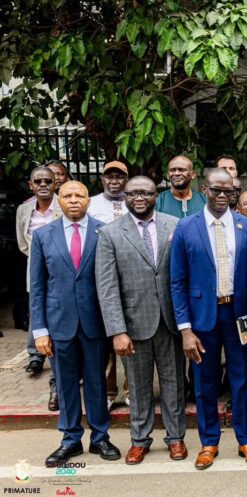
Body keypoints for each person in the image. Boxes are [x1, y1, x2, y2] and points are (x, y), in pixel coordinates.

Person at [170, 169, 247, 470]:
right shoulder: (186, 227)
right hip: (202, 318)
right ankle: (209, 442)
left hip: (240, 315)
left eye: (228, 191)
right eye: (216, 190)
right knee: (204, 382)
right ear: (204, 190)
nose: (222, 196)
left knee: (243, 380)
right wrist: (185, 329)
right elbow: (177, 282)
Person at [95, 177, 187, 465]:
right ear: (125, 196)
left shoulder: (175, 226)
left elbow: (184, 275)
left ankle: (176, 438)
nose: (139, 198)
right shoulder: (109, 233)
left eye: (146, 193)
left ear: (155, 196)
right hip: (133, 326)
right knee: (138, 386)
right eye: (133, 193)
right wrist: (117, 330)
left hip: (170, 323)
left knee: (174, 384)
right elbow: (107, 287)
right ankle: (139, 440)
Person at [30, 181, 121, 465]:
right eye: (67, 195)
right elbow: (38, 287)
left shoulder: (104, 232)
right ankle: (70, 439)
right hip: (59, 323)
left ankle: (100, 437)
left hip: (95, 323)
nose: (73, 200)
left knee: (96, 382)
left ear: (88, 200)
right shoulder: (43, 235)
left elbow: (112, 281)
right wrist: (39, 331)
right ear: (59, 200)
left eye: (79, 195)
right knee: (66, 384)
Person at [16, 167, 61, 410]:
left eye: (48, 181)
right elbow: (23, 243)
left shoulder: (64, 204)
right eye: (38, 181)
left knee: (58, 323)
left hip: (60, 270)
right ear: (31, 185)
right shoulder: (24, 209)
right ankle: (36, 355)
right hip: (35, 269)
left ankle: (58, 383)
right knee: (38, 312)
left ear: (55, 183)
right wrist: (38, 260)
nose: (43, 185)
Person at [88, 160, 130, 409]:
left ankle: (130, 390)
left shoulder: (133, 202)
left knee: (131, 335)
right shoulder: (91, 204)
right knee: (107, 339)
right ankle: (109, 390)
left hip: (130, 277)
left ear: (126, 179)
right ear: (103, 179)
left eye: (119, 176)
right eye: (109, 176)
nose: (114, 181)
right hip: (101, 275)